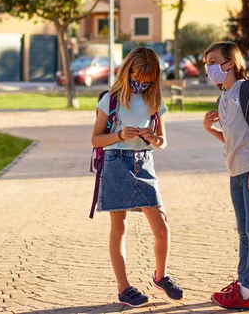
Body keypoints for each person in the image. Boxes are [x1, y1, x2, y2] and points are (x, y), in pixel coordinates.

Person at [91, 46, 184, 308]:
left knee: (162, 228)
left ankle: (161, 276)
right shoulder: (110, 99)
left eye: (147, 79)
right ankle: (124, 288)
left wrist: (154, 138)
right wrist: (120, 135)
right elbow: (95, 138)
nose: (141, 83)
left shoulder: (154, 102)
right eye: (137, 77)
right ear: (126, 70)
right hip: (116, 163)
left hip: (144, 164)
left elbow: (162, 142)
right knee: (119, 228)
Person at [202, 42, 249, 311]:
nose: (209, 68)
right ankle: (242, 284)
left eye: (213, 61)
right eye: (206, 63)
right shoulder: (223, 98)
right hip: (235, 171)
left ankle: (247, 293)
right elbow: (232, 140)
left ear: (230, 63)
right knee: (243, 232)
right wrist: (210, 129)